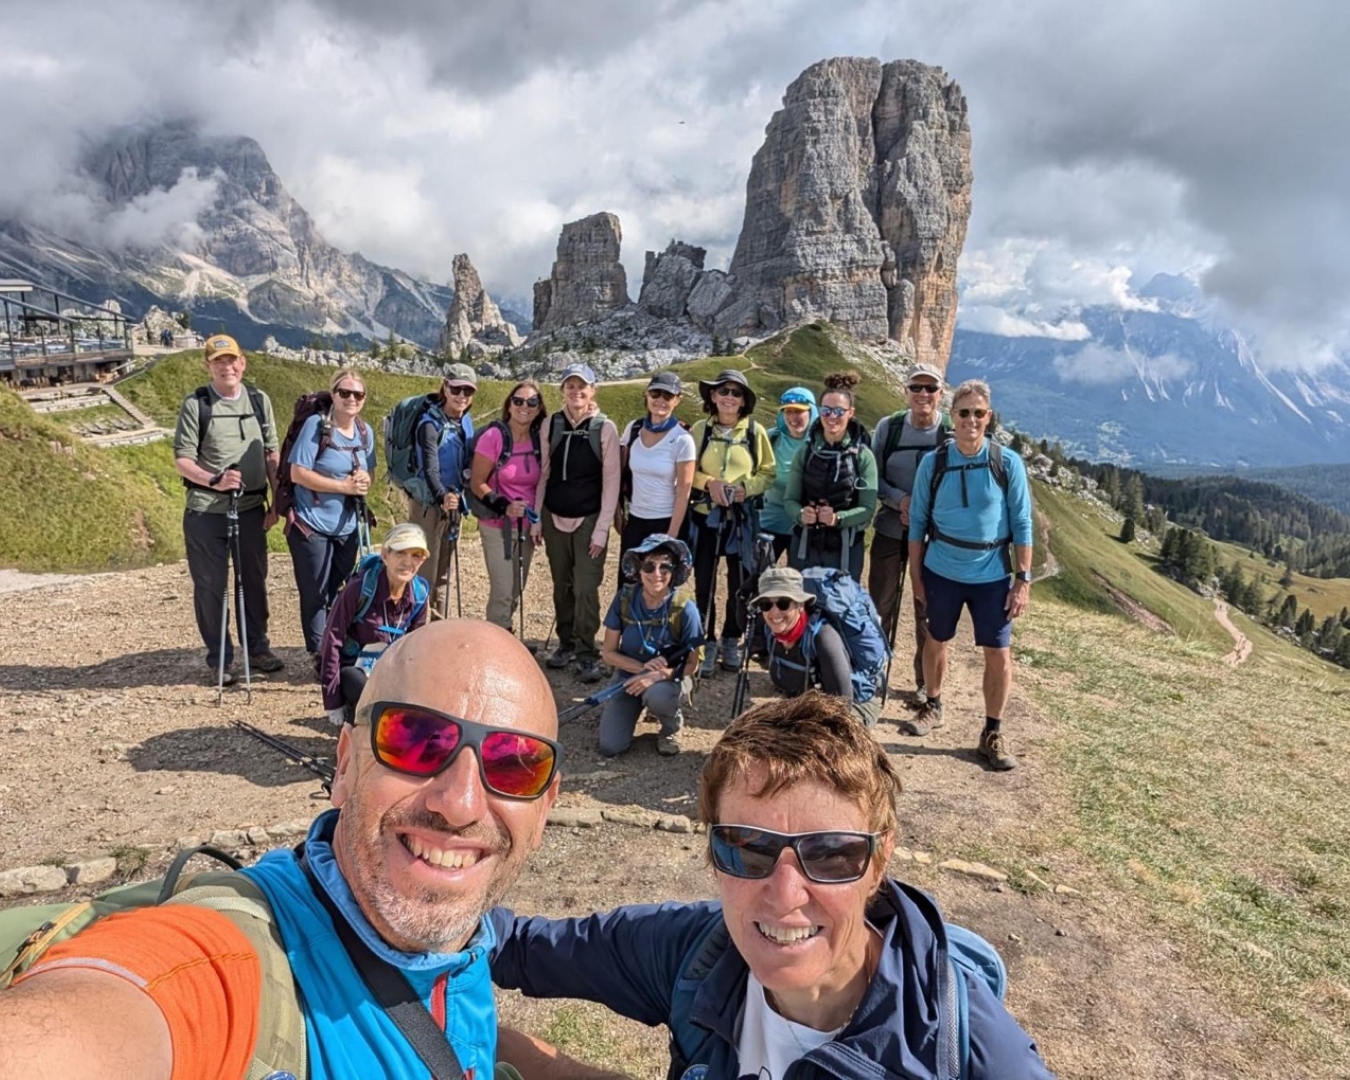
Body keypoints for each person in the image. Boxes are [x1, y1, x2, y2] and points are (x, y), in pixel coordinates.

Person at [0, 620, 621, 1079]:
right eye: (416, 741)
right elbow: (103, 1024)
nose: (459, 804)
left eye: (513, 764)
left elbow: (451, 1034)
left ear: (545, 805)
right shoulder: (230, 968)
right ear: (346, 764)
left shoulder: (453, 942)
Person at [489, 692, 1056, 1079]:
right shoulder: (696, 953)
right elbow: (516, 944)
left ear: (879, 862)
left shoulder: (969, 1052)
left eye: (832, 855)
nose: (785, 894)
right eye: (747, 847)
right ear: (712, 851)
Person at [906, 379, 1034, 771]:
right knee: (936, 640)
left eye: (979, 413)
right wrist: (916, 578)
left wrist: (1022, 580)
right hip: (941, 569)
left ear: (988, 417)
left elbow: (1022, 523)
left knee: (999, 653)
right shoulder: (935, 462)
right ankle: (933, 703)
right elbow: (917, 524)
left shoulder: (1007, 462)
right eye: (964, 413)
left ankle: (992, 732)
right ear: (952, 415)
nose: (971, 420)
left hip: (992, 574)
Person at [172, 333, 284, 683]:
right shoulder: (197, 404)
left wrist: (278, 498)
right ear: (209, 365)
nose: (226, 367)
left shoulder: (258, 399)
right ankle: (220, 659)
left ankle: (258, 648)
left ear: (242, 363)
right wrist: (214, 480)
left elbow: (271, 452)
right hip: (207, 511)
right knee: (211, 585)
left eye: (231, 360)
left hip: (251, 506)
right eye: (218, 361)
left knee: (253, 580)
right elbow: (183, 460)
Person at [533, 362, 621, 683]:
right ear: (563, 391)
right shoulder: (551, 425)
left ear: (592, 390)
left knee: (586, 588)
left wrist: (602, 529)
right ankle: (565, 643)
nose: (576, 391)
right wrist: (536, 517)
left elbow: (612, 482)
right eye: (570, 385)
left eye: (582, 385)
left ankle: (587, 653)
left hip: (589, 518)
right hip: (553, 515)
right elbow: (544, 473)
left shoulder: (604, 428)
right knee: (561, 584)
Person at [869, 362, 949, 704]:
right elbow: (872, 475)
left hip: (933, 536)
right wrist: (900, 500)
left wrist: (924, 509)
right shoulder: (889, 428)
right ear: (906, 392)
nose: (923, 395)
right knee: (880, 603)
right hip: (890, 526)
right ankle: (872, 673)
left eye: (930, 389)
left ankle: (924, 681)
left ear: (940, 395)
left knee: (926, 609)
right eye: (916, 388)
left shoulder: (949, 432)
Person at [689, 368, 776, 677]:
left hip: (741, 520)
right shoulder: (701, 429)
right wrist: (708, 482)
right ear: (713, 396)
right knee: (704, 583)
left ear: (743, 401)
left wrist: (746, 489)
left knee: (740, 583)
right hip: (706, 518)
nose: (728, 397)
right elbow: (688, 470)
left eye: (735, 393)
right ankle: (706, 642)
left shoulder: (755, 432)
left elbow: (768, 472)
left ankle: (731, 638)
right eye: (723, 391)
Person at [285, 367, 375, 664]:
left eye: (357, 394)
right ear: (333, 394)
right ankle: (320, 655)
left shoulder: (364, 431)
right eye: (344, 393)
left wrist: (363, 481)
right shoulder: (316, 425)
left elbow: (369, 472)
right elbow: (297, 473)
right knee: (315, 591)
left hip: (347, 526)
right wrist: (343, 486)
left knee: (340, 586)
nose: (351, 398)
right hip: (311, 523)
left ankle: (332, 644)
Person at [597, 534, 703, 757]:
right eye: (649, 566)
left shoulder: (685, 607)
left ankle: (669, 728)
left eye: (665, 567)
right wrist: (641, 670)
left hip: (666, 677)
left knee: (659, 696)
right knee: (610, 746)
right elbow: (608, 653)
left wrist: (657, 675)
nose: (657, 574)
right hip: (629, 675)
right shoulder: (624, 598)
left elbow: (692, 664)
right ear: (638, 569)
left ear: (674, 571)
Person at [317, 522, 430, 726]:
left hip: (390, 671)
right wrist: (332, 700)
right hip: (354, 669)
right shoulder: (358, 589)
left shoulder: (420, 595)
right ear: (385, 555)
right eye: (400, 553)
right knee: (374, 708)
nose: (407, 562)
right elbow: (331, 639)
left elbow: (417, 650)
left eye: (416, 555)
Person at [748, 565, 881, 727]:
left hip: (854, 708)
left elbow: (842, 709)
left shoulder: (824, 638)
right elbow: (743, 626)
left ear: (800, 605)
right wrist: (742, 595)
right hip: (806, 705)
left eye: (783, 603)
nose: (774, 613)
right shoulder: (772, 630)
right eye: (766, 605)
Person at [785, 370, 877, 582]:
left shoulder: (863, 456)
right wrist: (801, 515)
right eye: (826, 411)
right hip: (804, 547)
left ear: (850, 413)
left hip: (845, 551)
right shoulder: (806, 452)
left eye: (839, 411)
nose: (832, 417)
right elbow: (790, 500)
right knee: (802, 606)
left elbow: (868, 508)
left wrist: (838, 519)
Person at [468, 379, 546, 631]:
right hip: (497, 525)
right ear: (509, 405)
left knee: (516, 588)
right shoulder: (493, 437)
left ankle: (502, 633)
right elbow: (477, 482)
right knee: (502, 589)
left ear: (539, 407)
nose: (525, 406)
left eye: (532, 401)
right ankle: (499, 642)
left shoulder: (540, 438)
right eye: (519, 401)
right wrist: (504, 506)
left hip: (527, 525)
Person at [406, 363, 477, 615]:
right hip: (428, 505)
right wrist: (442, 496)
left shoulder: (465, 422)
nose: (462, 396)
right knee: (424, 570)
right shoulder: (429, 424)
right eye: (457, 389)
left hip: (453, 502)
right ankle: (417, 631)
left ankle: (440, 627)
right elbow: (430, 467)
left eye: (468, 391)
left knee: (445, 572)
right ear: (445, 387)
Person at [616, 371, 696, 554]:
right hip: (635, 519)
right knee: (628, 580)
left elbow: (684, 489)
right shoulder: (633, 429)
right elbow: (620, 474)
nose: (660, 400)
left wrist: (672, 534)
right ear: (647, 394)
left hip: (666, 520)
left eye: (668, 396)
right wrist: (618, 515)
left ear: (677, 400)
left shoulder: (683, 439)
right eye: (655, 394)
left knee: (661, 580)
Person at [760, 386, 818, 562]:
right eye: (788, 412)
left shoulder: (821, 443)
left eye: (799, 412)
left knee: (799, 584)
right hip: (768, 523)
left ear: (812, 412)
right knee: (758, 581)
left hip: (805, 527)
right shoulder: (771, 438)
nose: (793, 418)